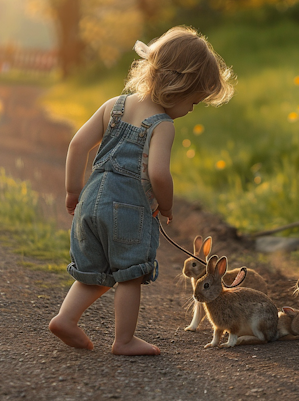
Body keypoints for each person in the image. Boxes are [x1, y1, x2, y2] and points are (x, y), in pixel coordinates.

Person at [49, 26, 235, 355]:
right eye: (193, 101)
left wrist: (72, 191)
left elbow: (78, 145)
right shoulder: (162, 125)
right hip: (127, 208)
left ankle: (66, 318)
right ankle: (124, 340)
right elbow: (159, 173)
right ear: (180, 87)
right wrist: (166, 206)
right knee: (129, 276)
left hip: (90, 201)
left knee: (94, 271)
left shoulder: (114, 106)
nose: (191, 109)